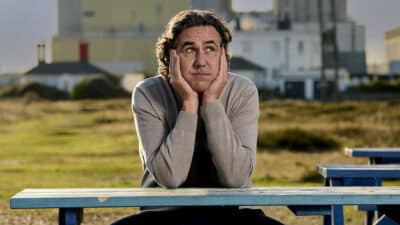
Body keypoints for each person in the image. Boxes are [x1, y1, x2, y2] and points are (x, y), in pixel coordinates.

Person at [111, 9, 284, 225]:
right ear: (170, 55)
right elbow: (171, 177)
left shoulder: (242, 91)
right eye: (189, 50)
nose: (201, 61)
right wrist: (190, 105)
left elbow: (235, 177)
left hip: (231, 213)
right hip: (163, 214)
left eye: (210, 49)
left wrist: (211, 102)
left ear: (223, 56)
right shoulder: (148, 92)